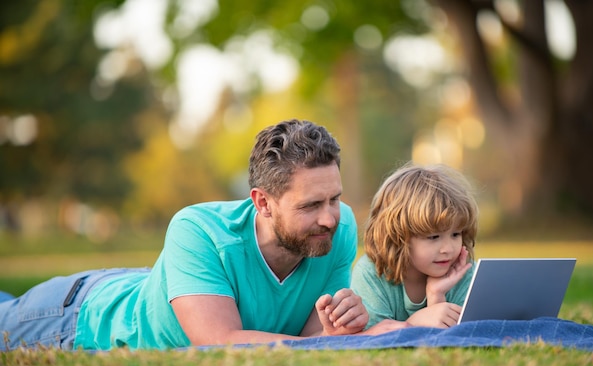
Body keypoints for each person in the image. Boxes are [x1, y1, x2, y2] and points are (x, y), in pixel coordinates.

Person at [0, 119, 398, 351]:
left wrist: (336, 329)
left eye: (334, 198)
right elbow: (221, 341)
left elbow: (311, 338)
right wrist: (325, 343)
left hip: (156, 285)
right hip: (78, 316)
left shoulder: (339, 226)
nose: (330, 217)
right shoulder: (197, 230)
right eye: (310, 206)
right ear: (262, 202)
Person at [351, 163, 479, 329]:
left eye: (456, 234)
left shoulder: (463, 273)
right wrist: (415, 322)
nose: (447, 249)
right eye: (433, 237)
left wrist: (436, 296)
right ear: (398, 236)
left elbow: (465, 337)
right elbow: (374, 341)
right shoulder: (372, 274)